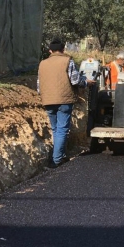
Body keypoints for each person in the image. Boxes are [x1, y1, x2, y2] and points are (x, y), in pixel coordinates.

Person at [37, 39, 92, 168]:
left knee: (56, 129)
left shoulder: (42, 63)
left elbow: (39, 86)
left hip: (48, 100)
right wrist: (86, 83)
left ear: (50, 51)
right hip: (64, 100)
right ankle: (56, 160)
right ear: (63, 50)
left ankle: (58, 155)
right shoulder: (68, 61)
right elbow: (75, 81)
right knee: (62, 130)